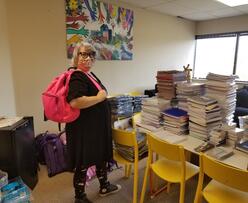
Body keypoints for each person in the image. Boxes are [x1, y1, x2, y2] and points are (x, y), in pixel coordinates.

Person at [65, 42, 121, 203]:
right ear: (76, 56)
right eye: (83, 54)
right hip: (84, 129)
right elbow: (75, 102)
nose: (88, 58)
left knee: (101, 156)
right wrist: (99, 98)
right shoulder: (76, 75)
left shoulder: (89, 74)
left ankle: (104, 186)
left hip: (96, 128)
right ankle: (79, 197)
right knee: (83, 161)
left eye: (91, 55)